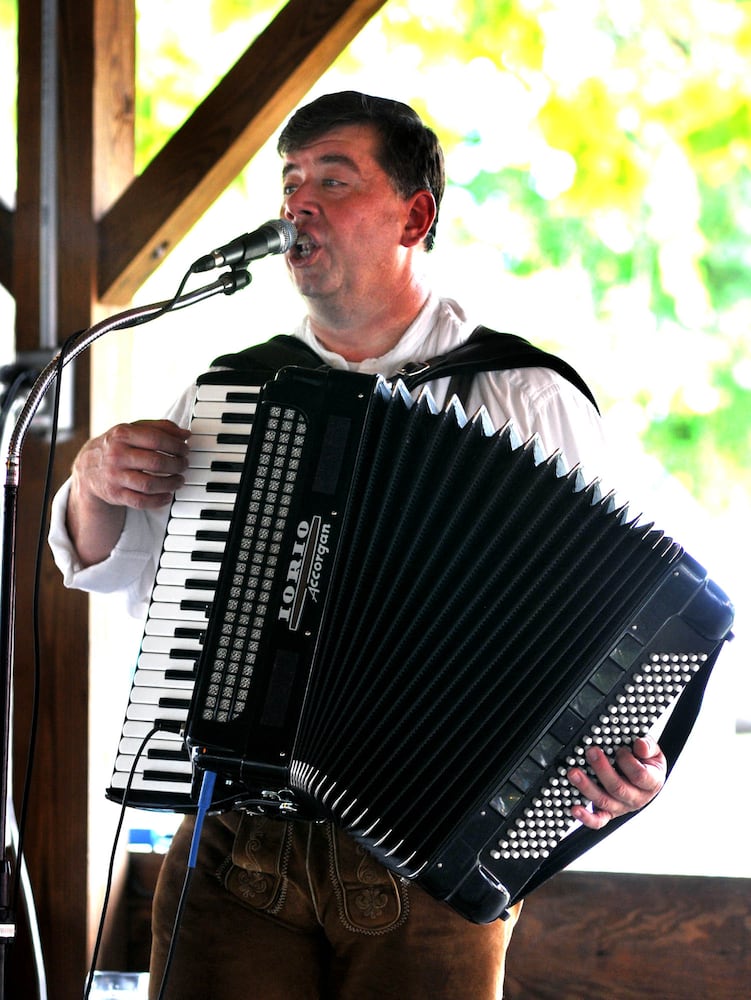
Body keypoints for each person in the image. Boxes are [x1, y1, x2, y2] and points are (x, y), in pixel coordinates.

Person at [49, 91, 667, 999]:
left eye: (332, 181)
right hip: (233, 846)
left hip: (434, 856)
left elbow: (614, 614)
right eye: (290, 181)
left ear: (413, 215)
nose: (299, 202)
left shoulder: (524, 398)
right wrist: (93, 482)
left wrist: (628, 757)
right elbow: (112, 563)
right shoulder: (232, 393)